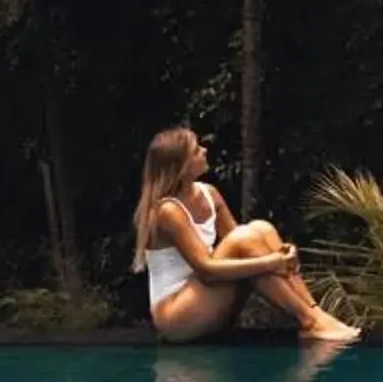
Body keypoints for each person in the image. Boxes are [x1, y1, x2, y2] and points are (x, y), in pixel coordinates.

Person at [134, 125, 360, 345]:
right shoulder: (168, 211)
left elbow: (246, 244)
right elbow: (208, 271)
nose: (204, 150)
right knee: (248, 238)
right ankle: (311, 322)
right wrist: (272, 262)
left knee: (262, 228)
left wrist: (281, 253)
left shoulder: (209, 194)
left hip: (207, 304)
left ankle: (315, 314)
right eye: (196, 150)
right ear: (182, 166)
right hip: (178, 316)